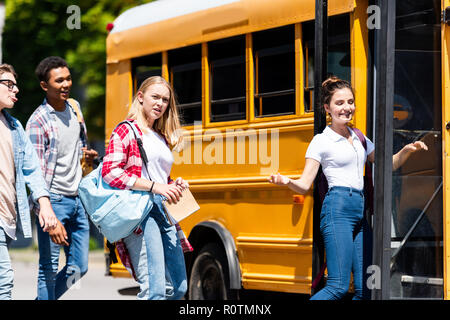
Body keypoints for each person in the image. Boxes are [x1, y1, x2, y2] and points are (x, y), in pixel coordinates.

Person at [269, 76, 428, 300]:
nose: (347, 108)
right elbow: (304, 184)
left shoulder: (359, 137)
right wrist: (286, 181)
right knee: (338, 286)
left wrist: (408, 150)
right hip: (337, 210)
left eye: (350, 102)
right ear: (327, 108)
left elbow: (387, 164)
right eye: (340, 103)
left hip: (359, 212)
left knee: (366, 290)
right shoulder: (321, 141)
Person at [102, 75, 192, 300]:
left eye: (165, 100)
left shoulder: (161, 136)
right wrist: (155, 187)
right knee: (154, 290)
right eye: (155, 97)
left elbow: (160, 177)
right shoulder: (126, 130)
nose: (160, 103)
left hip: (164, 212)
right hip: (140, 213)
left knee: (178, 287)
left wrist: (173, 185)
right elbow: (110, 172)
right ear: (140, 97)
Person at [26, 56, 98, 300]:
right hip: (53, 201)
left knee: (80, 266)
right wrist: (47, 213)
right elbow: (33, 172)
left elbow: (73, 146)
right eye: (59, 81)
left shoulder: (75, 107)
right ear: (45, 86)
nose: (66, 84)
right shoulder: (38, 121)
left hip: (78, 199)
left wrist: (86, 154)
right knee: (48, 267)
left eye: (68, 78)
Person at [0, 63, 67, 300]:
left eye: (16, 85)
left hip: (8, 218)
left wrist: (45, 205)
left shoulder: (15, 127)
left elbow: (33, 169)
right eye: (8, 84)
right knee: (4, 281)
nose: (15, 90)